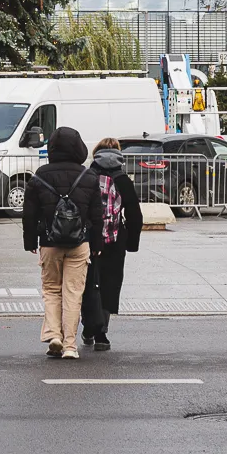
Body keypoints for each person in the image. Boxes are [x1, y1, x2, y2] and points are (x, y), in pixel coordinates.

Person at [21, 125, 102, 360]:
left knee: (51, 290)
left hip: (49, 242)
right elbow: (97, 215)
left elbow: (29, 214)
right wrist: (96, 244)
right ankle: (70, 346)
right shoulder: (88, 176)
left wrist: (30, 241)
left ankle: (54, 335)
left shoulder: (40, 176)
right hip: (80, 243)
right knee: (73, 294)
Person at [81, 135, 142, 350]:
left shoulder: (87, 176)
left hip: (89, 240)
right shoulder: (123, 180)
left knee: (88, 284)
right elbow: (135, 214)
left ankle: (88, 327)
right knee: (109, 285)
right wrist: (131, 243)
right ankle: (101, 335)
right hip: (115, 242)